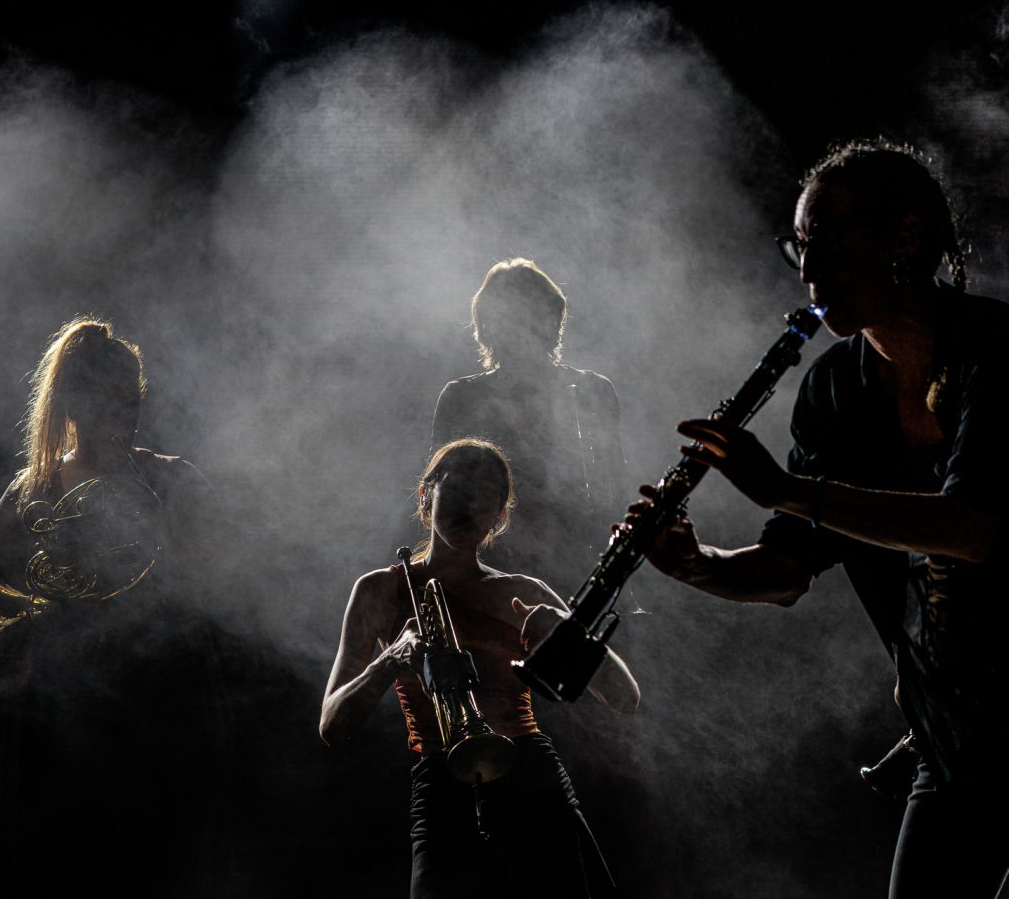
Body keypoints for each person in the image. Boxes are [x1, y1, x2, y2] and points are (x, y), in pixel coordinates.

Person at [625, 138, 1009, 897]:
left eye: (826, 243)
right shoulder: (834, 390)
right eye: (798, 247)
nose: (807, 271)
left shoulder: (995, 350)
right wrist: (694, 562)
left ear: (904, 239)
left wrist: (784, 489)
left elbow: (972, 530)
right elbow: (787, 571)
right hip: (955, 737)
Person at [0, 316, 226, 897]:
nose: (124, 415)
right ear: (72, 405)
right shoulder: (32, 488)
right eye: (109, 400)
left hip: (157, 701)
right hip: (59, 710)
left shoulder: (171, 479)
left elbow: (215, 586)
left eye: (131, 401)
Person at [321, 437, 639, 898]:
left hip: (531, 778)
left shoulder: (523, 591)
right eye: (457, 489)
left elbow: (625, 699)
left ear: (499, 516)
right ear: (425, 495)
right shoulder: (378, 591)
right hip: (440, 782)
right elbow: (332, 726)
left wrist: (568, 633)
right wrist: (387, 661)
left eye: (487, 496)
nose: (470, 505)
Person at [431, 258, 630, 598]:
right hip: (486, 564)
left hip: (576, 560)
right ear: (487, 325)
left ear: (553, 321)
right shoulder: (462, 397)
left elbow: (615, 487)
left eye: (532, 313)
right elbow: (439, 498)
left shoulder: (591, 391)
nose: (520, 326)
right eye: (507, 316)